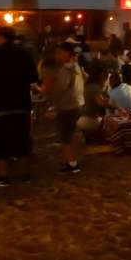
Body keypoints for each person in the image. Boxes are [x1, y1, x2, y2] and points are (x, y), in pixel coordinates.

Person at [0, 26, 39, 187]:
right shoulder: (25, 54)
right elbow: (33, 77)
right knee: (23, 139)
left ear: (1, 37)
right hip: (21, 103)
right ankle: (25, 175)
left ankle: (3, 176)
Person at [42, 42, 84, 173]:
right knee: (68, 135)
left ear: (67, 53)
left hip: (68, 106)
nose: (57, 55)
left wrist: (45, 88)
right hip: (77, 103)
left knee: (65, 137)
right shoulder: (76, 66)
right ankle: (69, 161)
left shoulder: (66, 69)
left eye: (59, 52)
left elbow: (60, 87)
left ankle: (73, 164)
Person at [78, 63, 110, 135]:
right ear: (101, 75)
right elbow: (101, 103)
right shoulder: (95, 87)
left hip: (83, 118)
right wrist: (114, 105)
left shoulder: (88, 85)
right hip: (90, 120)